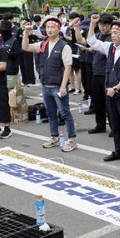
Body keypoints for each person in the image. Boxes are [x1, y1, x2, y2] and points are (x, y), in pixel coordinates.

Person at [88, 19, 120, 167]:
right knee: (115, 124)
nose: (113, 36)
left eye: (116, 33)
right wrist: (93, 24)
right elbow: (92, 41)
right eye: (112, 33)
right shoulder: (110, 47)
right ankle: (118, 151)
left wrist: (116, 88)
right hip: (110, 92)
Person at [21, 16, 78, 152]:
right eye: (48, 27)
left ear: (59, 29)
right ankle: (54, 137)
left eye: (53, 27)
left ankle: (72, 139)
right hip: (46, 85)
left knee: (65, 113)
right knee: (51, 114)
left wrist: (64, 86)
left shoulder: (64, 46)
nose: (50, 29)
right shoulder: (43, 44)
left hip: (58, 86)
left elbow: (68, 67)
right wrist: (25, 34)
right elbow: (26, 47)